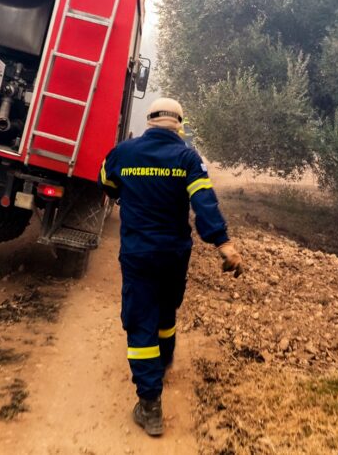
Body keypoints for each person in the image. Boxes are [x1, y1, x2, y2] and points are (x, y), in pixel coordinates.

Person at [98, 97, 244, 437]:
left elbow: (106, 183)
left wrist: (130, 191)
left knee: (140, 322)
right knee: (166, 311)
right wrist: (224, 245)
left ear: (149, 121)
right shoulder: (187, 158)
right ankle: (162, 364)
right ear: (180, 124)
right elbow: (204, 202)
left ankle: (150, 405)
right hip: (174, 254)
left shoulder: (123, 152)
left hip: (138, 254)